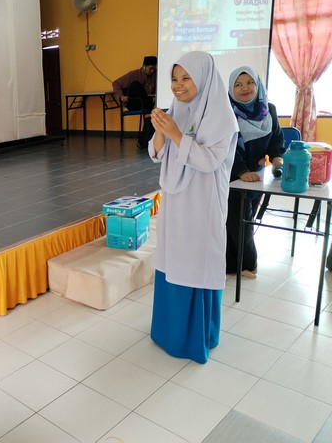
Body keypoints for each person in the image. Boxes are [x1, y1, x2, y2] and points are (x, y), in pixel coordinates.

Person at [148, 51, 238, 364]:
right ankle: (167, 332)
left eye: (186, 78)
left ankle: (194, 337)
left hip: (202, 204)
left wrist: (175, 134)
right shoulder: (177, 110)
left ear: (203, 78)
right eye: (174, 78)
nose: (178, 85)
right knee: (172, 258)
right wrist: (161, 131)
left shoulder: (222, 118)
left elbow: (210, 161)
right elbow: (157, 155)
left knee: (196, 261)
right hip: (175, 202)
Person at [225, 67, 285, 279]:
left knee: (245, 218)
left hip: (257, 177)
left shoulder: (269, 109)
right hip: (232, 175)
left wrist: (277, 158)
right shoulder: (226, 112)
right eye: (238, 84)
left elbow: (276, 138)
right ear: (231, 89)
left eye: (250, 82)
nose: (245, 88)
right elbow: (227, 147)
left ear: (258, 85)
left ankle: (232, 264)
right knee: (237, 222)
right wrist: (242, 171)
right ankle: (248, 264)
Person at [113, 56, 158, 149]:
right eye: (150, 68)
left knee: (152, 113)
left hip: (146, 103)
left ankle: (144, 142)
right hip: (134, 103)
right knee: (135, 84)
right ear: (144, 66)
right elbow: (116, 83)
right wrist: (121, 96)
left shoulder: (155, 75)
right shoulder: (134, 74)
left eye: (154, 68)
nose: (152, 71)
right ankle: (151, 108)